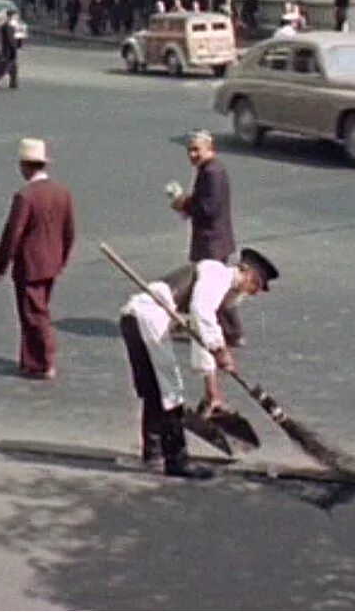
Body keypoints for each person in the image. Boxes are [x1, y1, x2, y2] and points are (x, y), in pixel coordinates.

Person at [117, 248, 278, 479]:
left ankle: (153, 455)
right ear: (249, 275)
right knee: (170, 390)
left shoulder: (213, 286)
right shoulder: (217, 274)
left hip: (134, 318)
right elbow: (201, 312)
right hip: (148, 317)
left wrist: (212, 389)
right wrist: (220, 349)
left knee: (154, 390)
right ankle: (177, 460)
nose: (252, 294)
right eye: (256, 287)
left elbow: (199, 333)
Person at [0, 139, 77, 380]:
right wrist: (62, 258)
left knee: (33, 314)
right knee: (37, 309)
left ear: (25, 166)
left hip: (30, 264)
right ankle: (30, 359)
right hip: (52, 263)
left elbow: (13, 233)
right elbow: (69, 231)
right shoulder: (62, 193)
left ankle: (43, 361)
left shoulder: (25, 196)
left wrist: (1, 263)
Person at [169, 130, 245, 350]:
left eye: (196, 150)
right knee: (212, 286)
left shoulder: (212, 172)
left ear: (210, 148)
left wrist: (184, 204)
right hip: (215, 239)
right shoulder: (210, 169)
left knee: (211, 287)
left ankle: (231, 331)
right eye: (189, 150)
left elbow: (208, 208)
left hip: (212, 242)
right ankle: (225, 329)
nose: (192, 155)